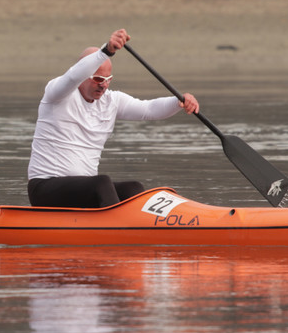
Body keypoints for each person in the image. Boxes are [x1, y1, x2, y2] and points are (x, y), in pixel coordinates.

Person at [27, 29, 200, 208]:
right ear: (84, 75)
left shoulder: (112, 101)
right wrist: (106, 51)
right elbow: (73, 76)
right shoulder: (57, 94)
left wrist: (179, 101)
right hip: (44, 188)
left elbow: (149, 109)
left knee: (133, 189)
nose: (103, 85)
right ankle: (122, 230)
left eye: (108, 79)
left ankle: (141, 227)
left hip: (82, 190)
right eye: (98, 78)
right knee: (101, 183)